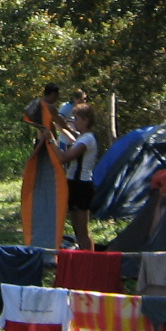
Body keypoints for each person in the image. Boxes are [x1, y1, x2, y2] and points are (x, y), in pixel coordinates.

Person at [21, 83, 69, 247]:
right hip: (48, 145)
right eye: (57, 95)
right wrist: (73, 133)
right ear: (53, 94)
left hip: (39, 144)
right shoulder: (48, 106)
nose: (58, 99)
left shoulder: (35, 105)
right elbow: (61, 124)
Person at [56, 103, 99, 250]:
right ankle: (83, 259)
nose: (74, 122)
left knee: (82, 232)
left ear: (86, 120)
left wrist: (50, 141)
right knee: (76, 229)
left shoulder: (87, 139)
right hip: (73, 183)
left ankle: (90, 262)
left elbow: (65, 158)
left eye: (77, 119)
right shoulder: (81, 138)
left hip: (82, 185)